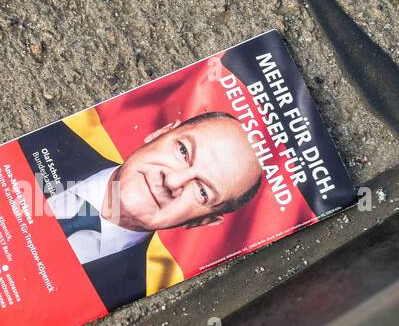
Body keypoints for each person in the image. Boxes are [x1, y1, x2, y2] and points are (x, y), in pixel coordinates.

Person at [20, 110, 262, 310]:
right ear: (161, 133)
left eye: (202, 191)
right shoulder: (39, 138)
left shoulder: (124, 299)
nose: (173, 181)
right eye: (183, 151)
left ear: (203, 221)